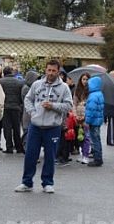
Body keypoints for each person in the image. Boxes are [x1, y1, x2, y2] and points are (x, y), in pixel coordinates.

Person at [15, 59, 73, 193]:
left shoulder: (64, 88)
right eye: (49, 70)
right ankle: (26, 182)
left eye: (54, 71)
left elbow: (69, 105)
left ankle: (47, 183)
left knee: (50, 156)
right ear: (45, 70)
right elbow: (28, 99)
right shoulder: (36, 84)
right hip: (35, 125)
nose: (51, 73)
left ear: (58, 71)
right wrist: (32, 112)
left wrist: (53, 106)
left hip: (52, 127)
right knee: (30, 154)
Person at [0, 65, 24, 154]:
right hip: (16, 108)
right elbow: (22, 95)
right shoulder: (19, 82)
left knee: (7, 128)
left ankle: (9, 147)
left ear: (4, 73)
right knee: (16, 128)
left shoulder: (0, 82)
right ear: (12, 73)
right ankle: (19, 147)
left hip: (5, 108)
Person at [85, 76, 105, 167]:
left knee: (95, 140)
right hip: (98, 120)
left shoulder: (92, 96)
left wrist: (87, 121)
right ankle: (99, 157)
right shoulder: (99, 93)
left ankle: (97, 159)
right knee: (97, 139)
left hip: (93, 121)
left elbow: (91, 110)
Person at [73, 72, 91, 164]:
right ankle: (82, 153)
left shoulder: (91, 91)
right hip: (78, 117)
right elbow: (74, 104)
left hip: (86, 117)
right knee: (80, 136)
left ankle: (86, 155)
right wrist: (75, 115)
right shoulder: (77, 90)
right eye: (83, 79)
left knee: (86, 136)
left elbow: (91, 105)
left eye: (87, 79)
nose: (85, 81)